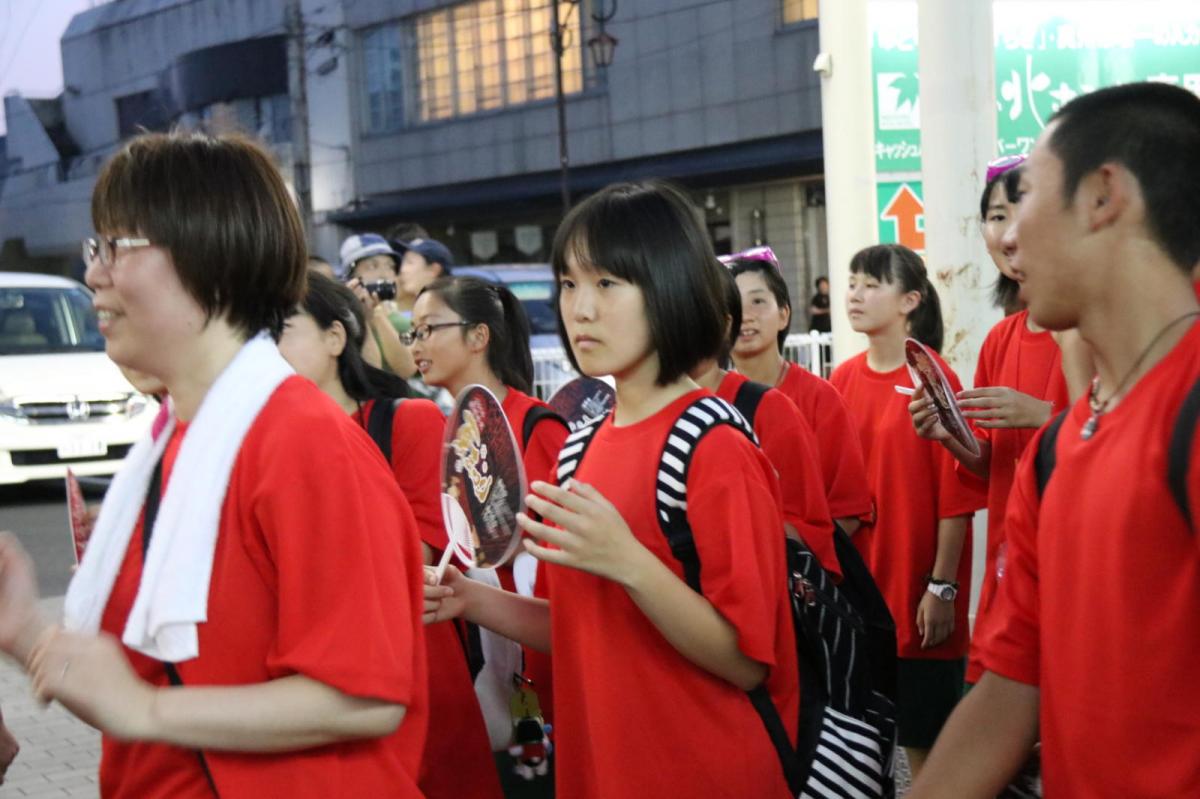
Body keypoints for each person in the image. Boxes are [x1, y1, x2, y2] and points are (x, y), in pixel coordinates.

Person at [0, 131, 428, 797]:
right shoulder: (172, 443)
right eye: (95, 247)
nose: (93, 273)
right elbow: (135, 685)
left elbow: (365, 697)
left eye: (118, 246)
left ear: (214, 262)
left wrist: (147, 710)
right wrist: (24, 628)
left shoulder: (304, 442)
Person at [423, 181, 798, 798]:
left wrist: (630, 562)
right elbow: (583, 627)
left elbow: (748, 660)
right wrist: (471, 599)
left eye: (607, 284)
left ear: (670, 286)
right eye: (569, 284)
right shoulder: (581, 444)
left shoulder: (715, 446)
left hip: (703, 772)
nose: (580, 309)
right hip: (601, 768)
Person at [910, 82, 1200, 797]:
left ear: (1104, 195)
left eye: (1027, 199)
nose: (1005, 236)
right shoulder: (1060, 447)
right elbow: (1010, 688)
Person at [277, 273, 503, 799]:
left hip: (415, 668)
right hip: (321, 677)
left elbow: (421, 552)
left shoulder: (408, 420)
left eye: (282, 330)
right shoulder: (267, 446)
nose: (268, 350)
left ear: (336, 338)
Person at [909, 156, 1070, 688]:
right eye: (995, 217)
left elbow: (1130, 435)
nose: (1008, 232)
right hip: (1010, 569)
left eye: (1020, 211)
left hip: (1075, 569)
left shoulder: (1093, 327)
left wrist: (1043, 416)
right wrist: (952, 437)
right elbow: (988, 470)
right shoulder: (1002, 338)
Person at [408, 274, 568, 793]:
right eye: (411, 333)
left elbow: (560, 569)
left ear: (479, 337)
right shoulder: (444, 434)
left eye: (429, 329)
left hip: (546, 680)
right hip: (487, 674)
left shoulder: (536, 428)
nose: (417, 345)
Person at [829, 244, 984, 778]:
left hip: (919, 604)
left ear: (909, 300)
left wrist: (942, 589)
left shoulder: (933, 379)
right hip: (860, 604)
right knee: (864, 760)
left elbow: (958, 498)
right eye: (852, 282)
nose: (855, 294)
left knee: (928, 759)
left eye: (871, 283)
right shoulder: (841, 381)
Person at [689, 267, 840, 575]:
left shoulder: (780, 407)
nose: (746, 315)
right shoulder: (664, 406)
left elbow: (827, 524)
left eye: (758, 302)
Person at [729, 255, 874, 535]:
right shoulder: (709, 402)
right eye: (733, 303)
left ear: (784, 315)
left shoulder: (821, 399)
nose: (745, 314)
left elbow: (849, 511)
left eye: (758, 301)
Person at [340, 233, 418, 378]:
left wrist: (375, 313)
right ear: (351, 276)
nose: (384, 274)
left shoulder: (405, 321)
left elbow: (407, 369)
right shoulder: (340, 319)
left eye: (390, 267)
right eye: (372, 266)